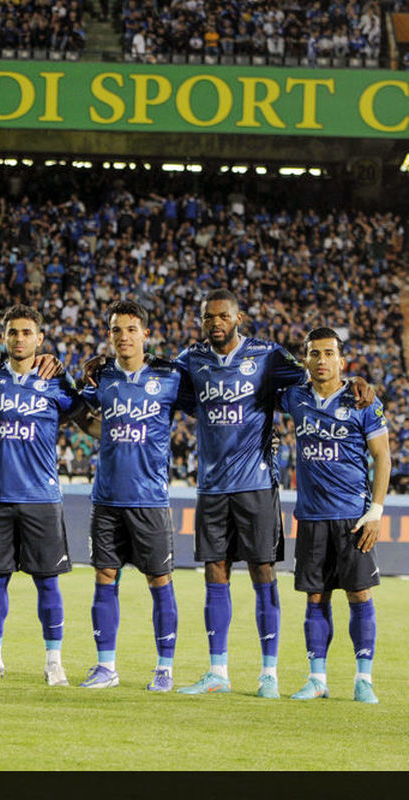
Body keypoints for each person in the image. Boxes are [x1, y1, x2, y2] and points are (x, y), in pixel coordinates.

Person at [173, 289, 367, 698]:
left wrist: (353, 382)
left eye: (222, 316)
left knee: (264, 573)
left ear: (238, 317)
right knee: (215, 573)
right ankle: (218, 672)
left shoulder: (268, 356)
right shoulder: (191, 360)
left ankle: (269, 674)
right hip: (211, 487)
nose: (215, 323)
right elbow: (156, 375)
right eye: (208, 317)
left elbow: (317, 376)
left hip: (257, 486)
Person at [0, 305, 92, 684]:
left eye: (26, 332)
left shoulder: (56, 383)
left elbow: (85, 415)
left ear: (39, 339)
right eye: (13, 332)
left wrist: (72, 377)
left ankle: (53, 661)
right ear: (4, 337)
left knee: (47, 582)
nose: (19, 339)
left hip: (43, 499)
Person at [77, 301, 194, 691]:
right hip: (107, 498)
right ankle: (106, 667)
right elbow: (82, 415)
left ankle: (164, 669)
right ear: (109, 336)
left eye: (131, 329)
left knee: (159, 581)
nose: (123, 337)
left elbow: (210, 408)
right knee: (104, 577)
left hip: (150, 501)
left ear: (146, 333)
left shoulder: (170, 377)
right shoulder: (102, 378)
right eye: (116, 330)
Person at [278, 328, 389, 703]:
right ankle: (317, 679)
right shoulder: (295, 397)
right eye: (314, 354)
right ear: (305, 360)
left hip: (353, 518)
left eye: (329, 353)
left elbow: (382, 457)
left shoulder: (363, 402)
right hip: (311, 517)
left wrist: (375, 512)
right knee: (315, 598)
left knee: (359, 595)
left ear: (342, 360)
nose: (322, 360)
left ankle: (364, 679)